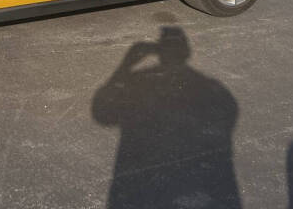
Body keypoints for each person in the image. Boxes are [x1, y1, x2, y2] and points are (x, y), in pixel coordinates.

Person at [92, 27, 241, 208]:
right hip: (202, 182)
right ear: (187, 52)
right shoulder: (217, 91)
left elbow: (102, 114)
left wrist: (126, 65)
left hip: (143, 181)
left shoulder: (139, 80)